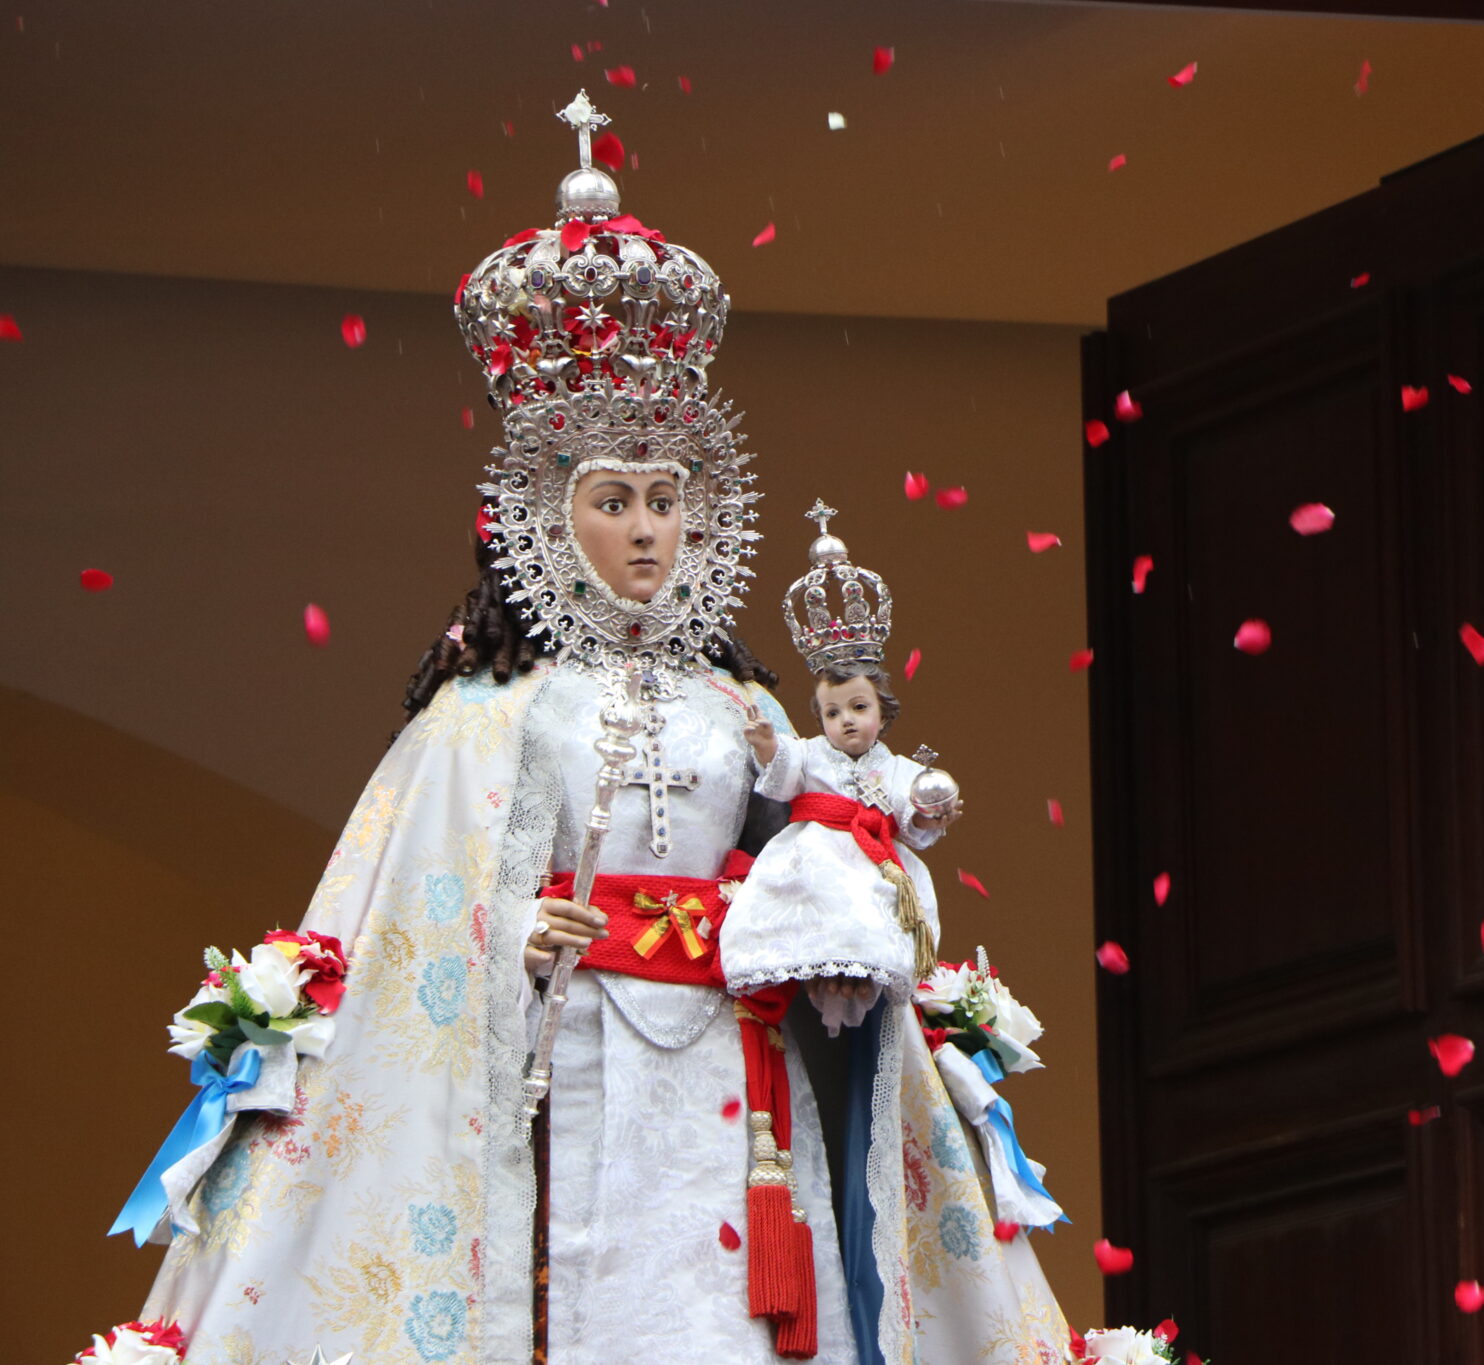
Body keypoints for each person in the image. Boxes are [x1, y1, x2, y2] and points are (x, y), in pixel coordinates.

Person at [100, 91, 1069, 1365]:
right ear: (548, 518)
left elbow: (834, 844)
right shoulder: (482, 718)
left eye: (668, 500)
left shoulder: (745, 707)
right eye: (616, 501)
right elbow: (406, 928)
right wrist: (514, 927)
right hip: (565, 1065)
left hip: (735, 1084)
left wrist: (843, 902)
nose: (650, 530)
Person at [723, 504, 963, 1037]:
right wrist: (768, 748)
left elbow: (912, 819)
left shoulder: (898, 767)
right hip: (816, 854)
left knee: (871, 911)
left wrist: (931, 814)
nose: (845, 721)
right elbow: (784, 781)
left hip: (874, 863)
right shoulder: (808, 753)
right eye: (832, 713)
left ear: (882, 711)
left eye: (858, 708)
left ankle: (859, 976)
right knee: (815, 901)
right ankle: (823, 972)